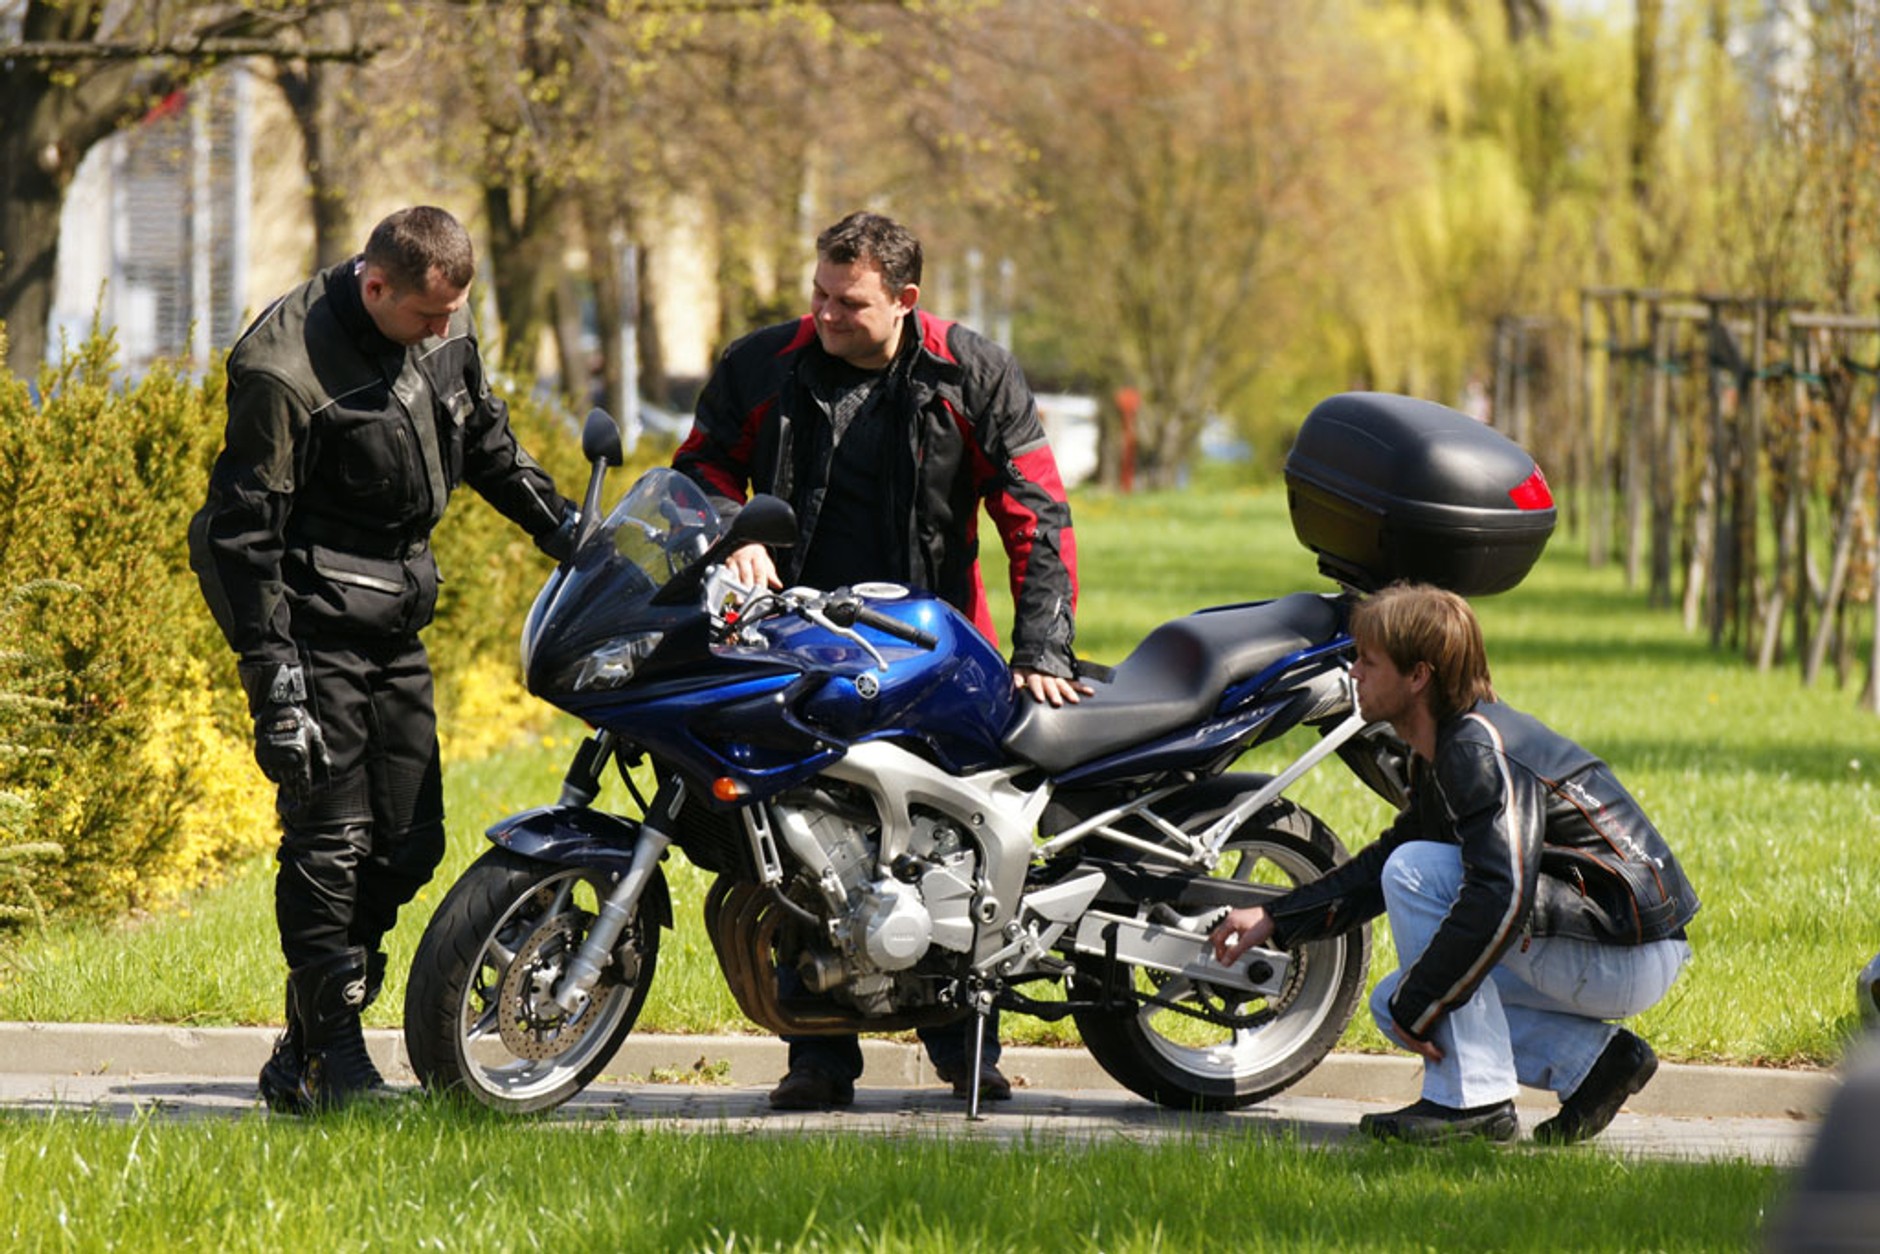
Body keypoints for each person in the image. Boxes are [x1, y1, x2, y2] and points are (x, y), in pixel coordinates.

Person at [674, 210, 1090, 1109]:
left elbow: (1036, 514)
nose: (824, 313)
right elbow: (698, 469)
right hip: (794, 644)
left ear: (905, 299)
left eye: (849, 302)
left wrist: (1042, 647)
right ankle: (816, 1059)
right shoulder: (760, 365)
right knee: (796, 845)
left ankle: (964, 1047)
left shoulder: (973, 373)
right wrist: (734, 533)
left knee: (946, 846)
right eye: (818, 293)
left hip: (933, 653)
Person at [188, 206, 578, 1114]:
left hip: (395, 621)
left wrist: (564, 530)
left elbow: (483, 437)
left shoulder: (443, 321)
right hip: (310, 627)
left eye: (452, 314)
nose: (443, 331)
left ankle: (303, 1049)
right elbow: (243, 540)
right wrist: (274, 687)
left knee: (409, 844)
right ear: (377, 286)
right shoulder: (283, 372)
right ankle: (333, 1057)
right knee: (331, 844)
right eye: (427, 317)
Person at [1209, 582, 1699, 1145]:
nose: (1354, 674)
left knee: (1415, 884)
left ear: (1418, 676)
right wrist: (1275, 918)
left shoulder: (1475, 748)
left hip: (1628, 949)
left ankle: (1469, 1105)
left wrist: (1425, 1002)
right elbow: (1385, 866)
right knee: (1390, 1000)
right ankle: (1596, 1063)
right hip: (1605, 941)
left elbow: (1501, 896)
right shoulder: (1448, 745)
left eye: (1369, 661)